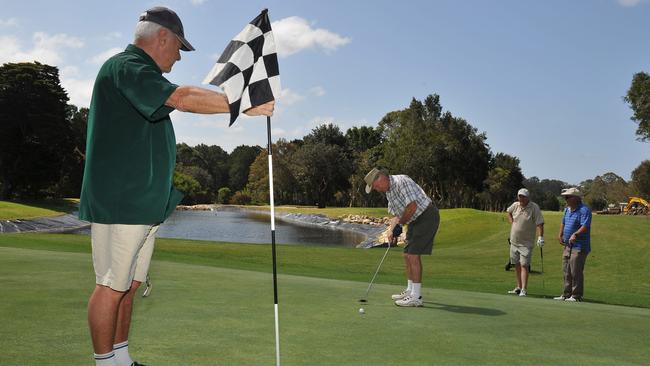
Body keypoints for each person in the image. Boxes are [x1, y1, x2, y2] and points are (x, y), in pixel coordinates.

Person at [78, 7, 274, 366]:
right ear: (163, 37)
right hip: (122, 202)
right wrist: (243, 103)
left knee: (130, 284)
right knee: (111, 284)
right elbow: (181, 98)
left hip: (142, 205)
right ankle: (105, 364)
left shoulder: (138, 74)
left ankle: (121, 359)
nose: (178, 56)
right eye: (179, 48)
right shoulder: (127, 66)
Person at [364, 168, 440, 307]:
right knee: (407, 255)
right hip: (414, 220)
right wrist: (391, 230)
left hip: (426, 216)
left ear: (381, 178)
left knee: (412, 255)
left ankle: (416, 297)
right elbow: (396, 215)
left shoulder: (401, 181)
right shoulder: (389, 193)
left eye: (375, 186)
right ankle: (410, 291)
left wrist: (401, 224)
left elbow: (412, 206)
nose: (376, 189)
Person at [554, 187, 592, 302]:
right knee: (566, 270)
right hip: (567, 245)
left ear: (576, 198)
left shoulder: (584, 210)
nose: (565, 199)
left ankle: (576, 295)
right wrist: (560, 234)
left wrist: (575, 234)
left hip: (579, 246)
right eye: (565, 197)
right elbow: (563, 223)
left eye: (568, 197)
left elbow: (585, 226)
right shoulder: (567, 209)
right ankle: (566, 294)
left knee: (575, 271)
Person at [505, 188, 545, 297]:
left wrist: (540, 237)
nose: (521, 198)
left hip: (526, 243)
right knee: (516, 265)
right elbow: (508, 212)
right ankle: (518, 287)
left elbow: (540, 223)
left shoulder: (534, 207)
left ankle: (524, 289)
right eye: (519, 196)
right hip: (514, 241)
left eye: (523, 196)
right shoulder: (515, 205)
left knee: (524, 265)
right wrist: (512, 221)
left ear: (528, 197)